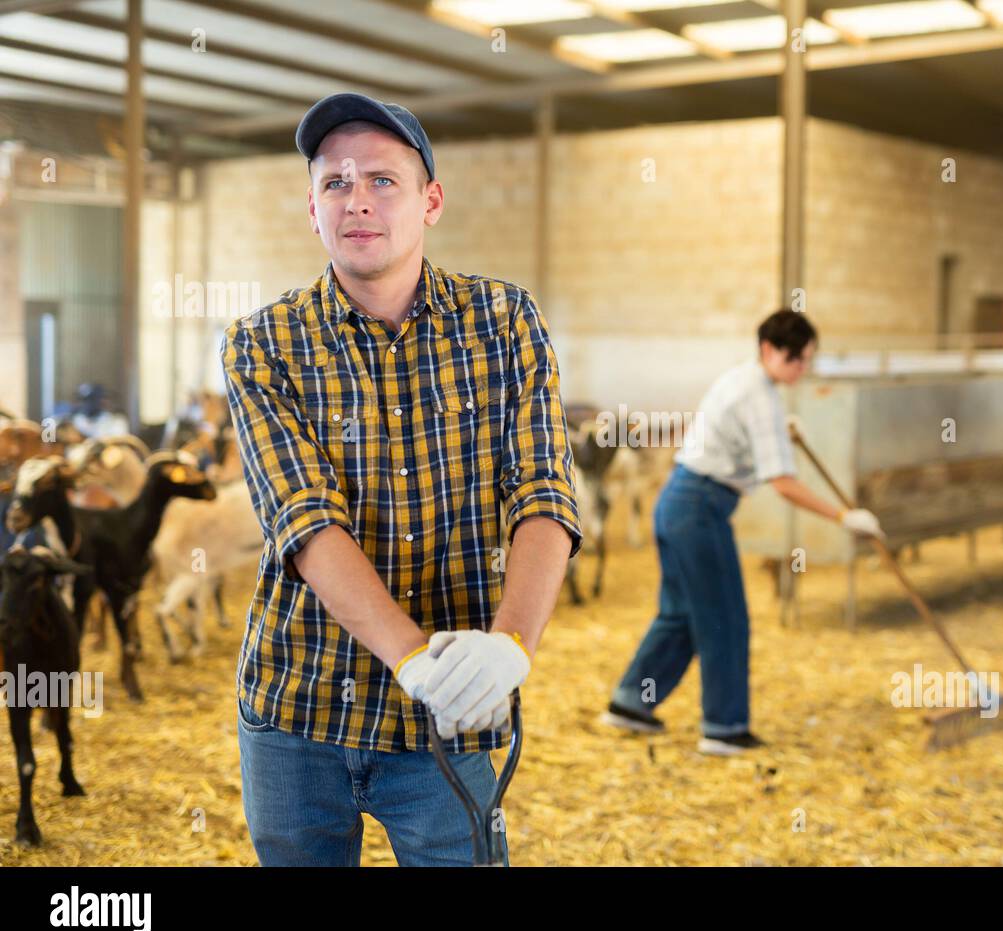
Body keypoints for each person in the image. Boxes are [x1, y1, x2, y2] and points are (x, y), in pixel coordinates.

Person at [221, 93, 581, 866]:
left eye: (383, 180)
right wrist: (412, 658)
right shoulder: (263, 344)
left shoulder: (504, 321)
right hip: (299, 707)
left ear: (431, 201)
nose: (357, 201)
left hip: (450, 719)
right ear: (311, 209)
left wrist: (513, 643)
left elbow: (543, 491)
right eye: (335, 183)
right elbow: (306, 522)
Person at [602, 311, 884, 756]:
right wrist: (843, 517)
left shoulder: (742, 381)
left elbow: (733, 438)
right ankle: (724, 726)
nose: (801, 370)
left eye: (807, 361)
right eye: (796, 360)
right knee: (725, 619)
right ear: (770, 350)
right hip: (700, 509)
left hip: (677, 502)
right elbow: (783, 484)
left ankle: (632, 702)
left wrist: (778, 433)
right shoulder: (762, 397)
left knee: (681, 615)